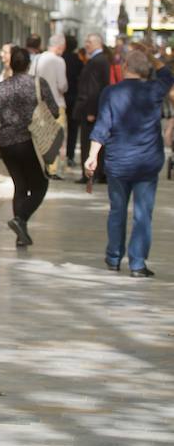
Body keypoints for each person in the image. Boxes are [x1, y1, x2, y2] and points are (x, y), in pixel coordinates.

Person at [86, 48, 174, 277]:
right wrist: (152, 56)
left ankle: (114, 258)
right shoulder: (154, 90)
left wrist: (92, 155)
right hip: (146, 162)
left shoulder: (111, 93)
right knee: (143, 214)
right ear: (145, 69)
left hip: (118, 162)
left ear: (125, 67)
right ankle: (137, 264)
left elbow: (103, 126)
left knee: (117, 211)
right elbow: (168, 75)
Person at [0, 45, 60, 248]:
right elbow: (54, 110)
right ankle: (21, 219)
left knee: (20, 185)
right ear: (28, 64)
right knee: (40, 185)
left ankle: (21, 234)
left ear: (11, 64)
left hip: (6, 144)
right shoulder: (38, 83)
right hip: (30, 142)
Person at [76, 34, 112, 184]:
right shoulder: (99, 60)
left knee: (88, 141)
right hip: (93, 108)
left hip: (90, 109)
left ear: (98, 44)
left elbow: (94, 88)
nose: (86, 45)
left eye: (89, 42)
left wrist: (91, 111)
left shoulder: (97, 61)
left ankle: (90, 173)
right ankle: (98, 172)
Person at [34, 34, 70, 179]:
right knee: (57, 136)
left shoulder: (37, 59)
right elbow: (62, 85)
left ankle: (41, 165)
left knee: (42, 135)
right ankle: (52, 169)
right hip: (57, 104)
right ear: (60, 46)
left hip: (40, 105)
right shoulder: (59, 61)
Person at [63, 34, 84, 168]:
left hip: (61, 97)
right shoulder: (78, 60)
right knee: (72, 129)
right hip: (73, 97)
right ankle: (70, 156)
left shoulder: (60, 59)